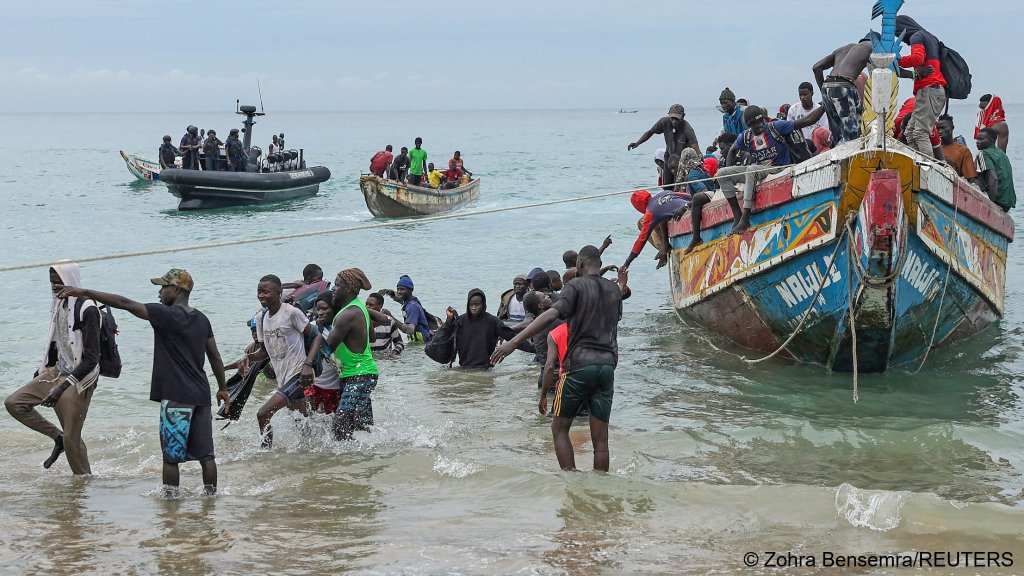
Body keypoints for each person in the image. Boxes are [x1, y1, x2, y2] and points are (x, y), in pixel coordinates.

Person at [55, 269, 228, 496]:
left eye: (163, 287)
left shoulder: (164, 314)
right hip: (201, 395)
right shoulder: (202, 319)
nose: (159, 291)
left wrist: (84, 291)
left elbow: (123, 302)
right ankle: (211, 499)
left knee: (171, 458)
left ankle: (170, 504)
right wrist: (223, 388)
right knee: (206, 456)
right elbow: (214, 356)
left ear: (176, 290)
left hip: (176, 397)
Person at [491, 245, 630, 472]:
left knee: (559, 429)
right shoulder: (614, 290)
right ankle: (600, 490)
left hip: (579, 366)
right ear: (598, 263)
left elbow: (552, 314)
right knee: (601, 441)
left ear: (580, 265)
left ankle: (572, 483)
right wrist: (622, 281)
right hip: (607, 367)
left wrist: (513, 342)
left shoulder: (575, 285)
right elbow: (617, 298)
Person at [5, 262, 101, 475]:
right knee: (15, 403)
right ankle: (56, 437)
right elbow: (57, 341)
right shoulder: (58, 304)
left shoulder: (88, 309)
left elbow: (92, 359)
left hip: (80, 378)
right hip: (56, 371)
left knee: (72, 439)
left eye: (59, 283)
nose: (56, 287)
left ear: (72, 282)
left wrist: (63, 386)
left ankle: (83, 485)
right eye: (52, 283)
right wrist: (42, 369)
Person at [717, 104, 826, 233]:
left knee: (751, 170)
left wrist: (825, 104)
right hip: (760, 169)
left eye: (761, 122)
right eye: (755, 125)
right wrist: (730, 168)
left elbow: (808, 121)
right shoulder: (746, 136)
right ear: (749, 126)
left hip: (778, 168)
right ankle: (737, 216)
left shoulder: (776, 127)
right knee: (722, 174)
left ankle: (746, 217)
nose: (759, 126)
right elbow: (732, 150)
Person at [245, 275, 319, 449]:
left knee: (263, 414)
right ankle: (315, 453)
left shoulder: (291, 313)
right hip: (283, 378)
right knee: (302, 422)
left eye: (265, 291)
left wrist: (308, 365)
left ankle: (265, 454)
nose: (261, 295)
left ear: (278, 293)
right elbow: (264, 352)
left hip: (300, 375)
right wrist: (246, 358)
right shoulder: (261, 318)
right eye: (258, 291)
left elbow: (316, 336)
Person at [325, 269, 379, 440]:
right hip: (361, 373)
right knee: (360, 425)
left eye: (337, 285)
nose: (333, 288)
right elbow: (372, 337)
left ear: (348, 288)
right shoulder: (360, 308)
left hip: (359, 375)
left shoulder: (348, 314)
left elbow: (328, 347)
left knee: (340, 426)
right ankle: (367, 459)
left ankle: (347, 464)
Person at [894, 16, 947, 158]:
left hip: (929, 88)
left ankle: (928, 168)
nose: (900, 39)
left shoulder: (916, 36)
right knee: (910, 133)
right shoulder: (931, 37)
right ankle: (918, 162)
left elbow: (918, 58)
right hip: (933, 89)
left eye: (898, 34)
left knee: (920, 132)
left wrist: (896, 60)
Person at [812, 39, 873, 145]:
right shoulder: (870, 46)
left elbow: (817, 67)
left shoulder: (842, 49)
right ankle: (849, 160)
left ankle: (836, 159)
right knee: (851, 134)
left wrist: (824, 93)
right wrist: (911, 75)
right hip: (844, 86)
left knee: (836, 133)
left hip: (827, 85)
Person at [442, 289, 520, 369]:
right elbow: (443, 338)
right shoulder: (460, 321)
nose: (473, 308)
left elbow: (512, 336)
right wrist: (449, 320)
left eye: (477, 305)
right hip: (464, 368)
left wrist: (532, 348)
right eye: (471, 305)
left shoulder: (493, 322)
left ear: (483, 304)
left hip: (486, 369)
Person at [670, 149, 716, 254]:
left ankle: (696, 237)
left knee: (696, 198)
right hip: (713, 194)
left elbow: (703, 192)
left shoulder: (692, 176)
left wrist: (685, 206)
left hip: (711, 196)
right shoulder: (702, 170)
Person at [305, 294, 342, 415]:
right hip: (315, 384)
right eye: (318, 309)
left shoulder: (342, 328)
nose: (320, 312)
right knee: (310, 419)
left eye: (325, 309)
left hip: (335, 386)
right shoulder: (313, 327)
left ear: (335, 308)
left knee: (332, 421)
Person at [627, 104, 700, 159]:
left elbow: (694, 145)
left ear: (682, 117)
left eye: (677, 119)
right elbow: (650, 132)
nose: (674, 121)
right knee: (667, 178)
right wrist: (637, 143)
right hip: (669, 156)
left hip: (683, 158)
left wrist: (700, 157)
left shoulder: (687, 128)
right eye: (672, 118)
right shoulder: (664, 122)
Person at [379, 275, 432, 342]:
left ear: (411, 290)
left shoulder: (412, 306)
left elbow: (409, 330)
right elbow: (398, 298)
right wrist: (391, 293)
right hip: (417, 342)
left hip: (423, 342)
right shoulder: (410, 301)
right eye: (398, 289)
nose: (399, 292)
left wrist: (391, 317)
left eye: (402, 289)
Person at [975, 128, 1016, 213]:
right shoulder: (1002, 154)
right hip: (1008, 202)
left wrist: (990, 204)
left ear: (991, 140)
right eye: (977, 139)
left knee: (973, 179)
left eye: (981, 139)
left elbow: (994, 179)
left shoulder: (983, 153)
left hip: (997, 200)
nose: (977, 142)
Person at [937, 115, 977, 182]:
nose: (940, 131)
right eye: (937, 129)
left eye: (943, 128)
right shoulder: (933, 149)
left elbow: (971, 178)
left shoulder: (963, 151)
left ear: (952, 127)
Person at [366, 292, 405, 359]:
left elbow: (399, 343)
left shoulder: (389, 321)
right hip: (368, 360)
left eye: (371, 305)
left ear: (380, 306)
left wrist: (394, 352)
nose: (367, 307)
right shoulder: (362, 321)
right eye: (366, 304)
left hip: (385, 360)